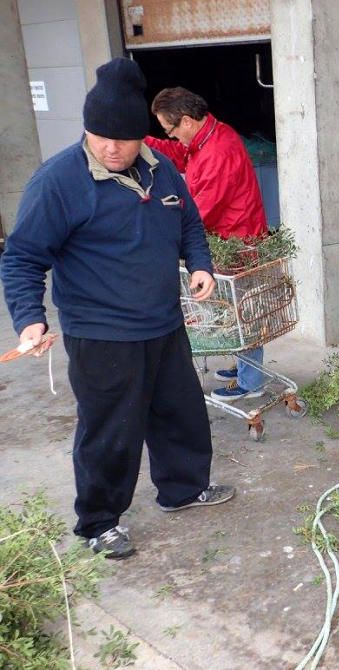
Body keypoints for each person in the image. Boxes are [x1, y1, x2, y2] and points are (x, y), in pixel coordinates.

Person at [1, 58, 234, 560]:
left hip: (163, 323)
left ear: (142, 137)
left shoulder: (162, 167)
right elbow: (22, 258)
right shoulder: (58, 181)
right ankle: (99, 522)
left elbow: (189, 222)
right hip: (101, 333)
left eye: (122, 138)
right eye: (98, 135)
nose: (110, 147)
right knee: (111, 432)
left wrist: (199, 264)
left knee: (180, 415)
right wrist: (30, 318)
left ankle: (183, 489)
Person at [144, 87, 269, 402]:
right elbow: (178, 155)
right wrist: (140, 141)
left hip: (238, 241)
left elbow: (199, 214)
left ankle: (252, 381)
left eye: (169, 130)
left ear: (186, 121)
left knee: (242, 311)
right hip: (231, 234)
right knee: (232, 309)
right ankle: (242, 366)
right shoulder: (206, 135)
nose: (171, 137)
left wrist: (162, 232)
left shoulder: (217, 153)